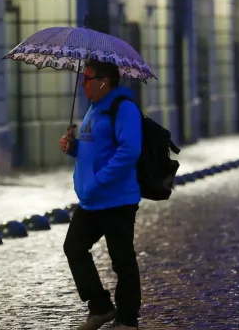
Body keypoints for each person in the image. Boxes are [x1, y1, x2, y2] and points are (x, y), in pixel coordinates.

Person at [60, 59, 142, 330]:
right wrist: (73, 147)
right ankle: (101, 306)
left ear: (104, 81)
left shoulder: (123, 109)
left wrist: (99, 180)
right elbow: (93, 149)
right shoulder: (94, 109)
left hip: (116, 199)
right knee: (73, 247)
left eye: (87, 79)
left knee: (122, 260)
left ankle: (128, 320)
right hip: (92, 200)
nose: (83, 84)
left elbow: (129, 151)